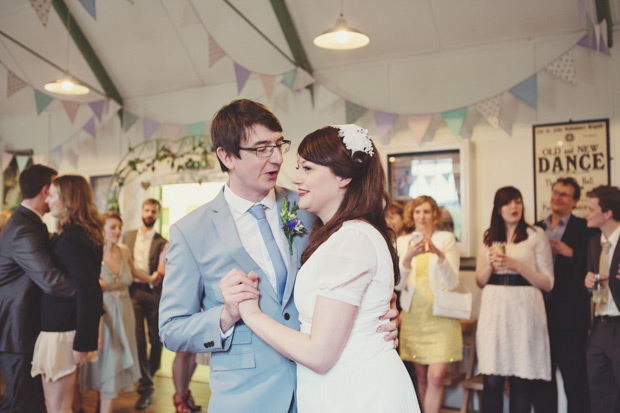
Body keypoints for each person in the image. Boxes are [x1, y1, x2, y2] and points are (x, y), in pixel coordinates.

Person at [159, 99, 399, 412]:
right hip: (245, 398)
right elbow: (172, 330)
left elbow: (351, 276)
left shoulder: (310, 208)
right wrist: (227, 314)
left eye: (278, 144)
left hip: (319, 391)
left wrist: (380, 312)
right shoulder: (190, 232)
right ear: (227, 155)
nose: (276, 159)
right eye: (261, 149)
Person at [236, 124, 418, 412]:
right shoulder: (341, 233)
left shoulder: (353, 238)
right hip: (340, 389)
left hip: (358, 392)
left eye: (307, 168)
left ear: (343, 176)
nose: (295, 178)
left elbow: (319, 354)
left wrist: (250, 312)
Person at [0, 164, 75, 412]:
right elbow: (50, 280)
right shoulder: (23, 227)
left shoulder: (29, 222)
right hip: (17, 330)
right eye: (54, 191)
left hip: (27, 327)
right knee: (20, 404)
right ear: (45, 190)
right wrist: (89, 291)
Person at [476, 186, 554, 412]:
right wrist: (491, 265)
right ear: (498, 209)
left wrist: (517, 265)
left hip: (525, 309)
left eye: (518, 202)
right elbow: (480, 281)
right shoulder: (488, 236)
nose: (514, 207)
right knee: (492, 379)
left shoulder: (535, 235)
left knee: (521, 380)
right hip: (495, 308)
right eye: (508, 203)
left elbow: (548, 282)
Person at [30, 175, 104, 412]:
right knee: (56, 404)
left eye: (52, 195)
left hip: (62, 331)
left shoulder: (73, 237)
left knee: (58, 406)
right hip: (59, 328)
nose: (47, 200)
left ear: (68, 200)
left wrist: (83, 343)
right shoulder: (75, 233)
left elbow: (89, 289)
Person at [79, 211, 160, 413]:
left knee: (113, 363)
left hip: (125, 314)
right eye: (112, 227)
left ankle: (103, 408)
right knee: (103, 364)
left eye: (119, 227)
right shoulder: (92, 253)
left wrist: (152, 278)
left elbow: (134, 273)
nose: (117, 231)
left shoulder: (123, 250)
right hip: (103, 316)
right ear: (102, 230)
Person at [395, 195, 462, 413]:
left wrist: (439, 254)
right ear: (411, 215)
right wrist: (407, 259)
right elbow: (397, 283)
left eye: (426, 211)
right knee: (421, 377)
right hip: (414, 315)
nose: (422, 216)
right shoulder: (403, 242)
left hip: (442, 315)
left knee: (436, 377)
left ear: (434, 214)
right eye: (417, 212)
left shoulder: (446, 239)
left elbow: (452, 283)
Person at [532, 177, 592, 413]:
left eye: (564, 194)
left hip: (570, 317)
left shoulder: (585, 228)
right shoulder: (536, 228)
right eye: (555, 192)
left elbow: (596, 266)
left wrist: (570, 252)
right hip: (540, 313)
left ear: (575, 201)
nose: (557, 197)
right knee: (542, 379)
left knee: (575, 379)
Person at [122, 198, 167, 410]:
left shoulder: (162, 242)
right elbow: (125, 267)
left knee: (156, 341)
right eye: (147, 210)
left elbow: (160, 274)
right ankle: (145, 387)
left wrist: (151, 277)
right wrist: (145, 276)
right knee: (139, 341)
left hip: (155, 295)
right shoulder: (127, 237)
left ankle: (150, 373)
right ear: (142, 211)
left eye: (153, 211)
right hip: (134, 294)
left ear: (157, 215)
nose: (149, 214)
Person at [583, 185, 620, 413]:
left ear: (607, 213)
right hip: (599, 327)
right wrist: (588, 283)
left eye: (590, 208)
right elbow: (595, 288)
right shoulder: (594, 243)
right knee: (600, 396)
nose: (586, 213)